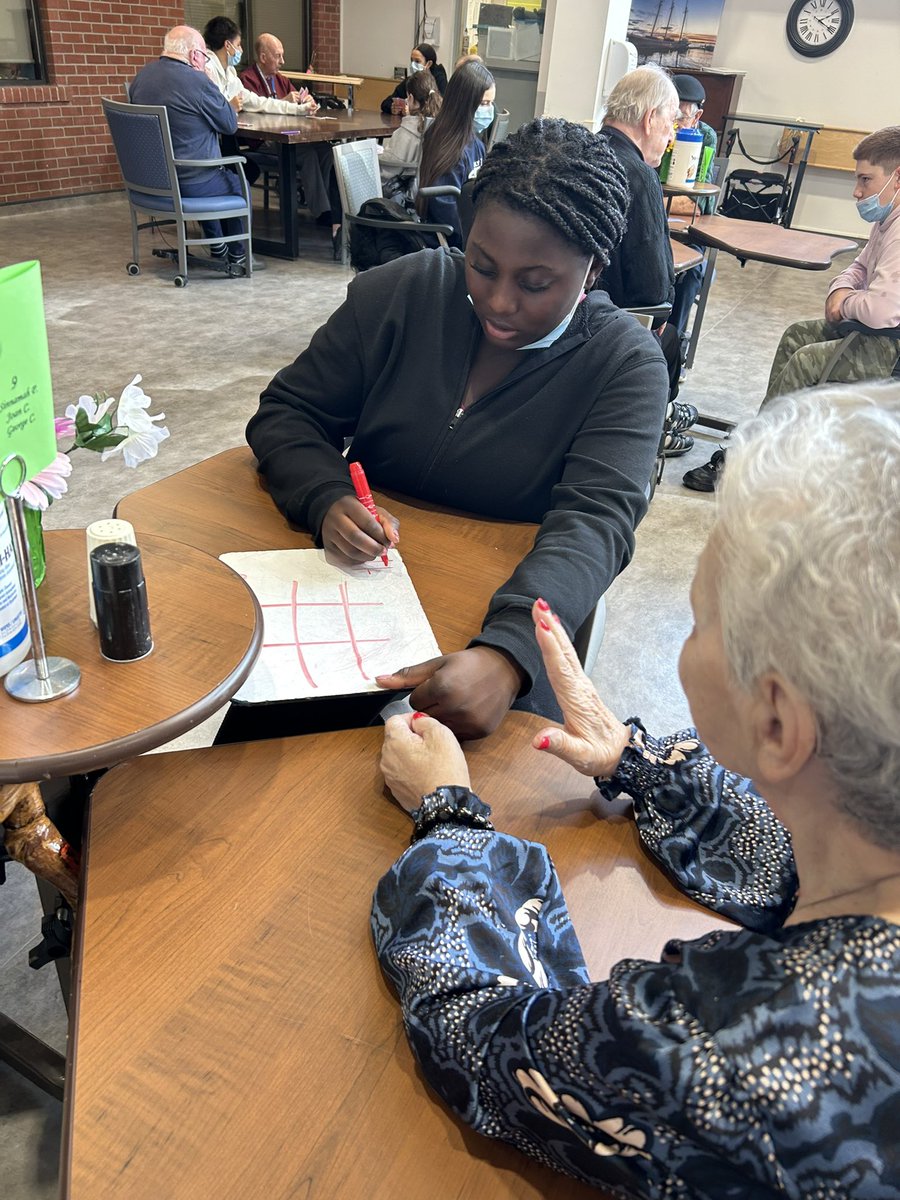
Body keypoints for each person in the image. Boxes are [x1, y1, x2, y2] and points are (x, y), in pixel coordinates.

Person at [374, 383, 900, 1198]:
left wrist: (447, 815)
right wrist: (636, 761)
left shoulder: (741, 1051)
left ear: (776, 725)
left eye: (699, 620)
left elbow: (478, 1038)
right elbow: (792, 856)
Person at [244, 118, 669, 743]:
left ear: (593, 271)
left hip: (498, 620)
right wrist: (324, 496)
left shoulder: (624, 366)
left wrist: (510, 652)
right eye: (482, 265)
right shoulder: (403, 293)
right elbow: (288, 411)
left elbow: (595, 523)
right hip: (356, 606)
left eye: (535, 283)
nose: (499, 302)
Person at [684, 126, 900, 493]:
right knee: (796, 335)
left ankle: (751, 462)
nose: (857, 191)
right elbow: (858, 268)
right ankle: (766, 449)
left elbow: (882, 310)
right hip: (873, 332)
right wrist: (841, 290)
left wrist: (844, 302)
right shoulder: (887, 220)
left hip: (890, 347)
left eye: (866, 180)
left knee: (806, 362)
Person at [599, 65, 693, 457]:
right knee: (671, 334)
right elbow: (653, 289)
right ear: (650, 118)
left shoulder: (582, 151)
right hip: (610, 324)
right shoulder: (638, 175)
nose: (671, 137)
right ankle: (655, 430)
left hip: (559, 311)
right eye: (671, 122)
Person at [130, 26, 249, 274]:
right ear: (195, 55)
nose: (205, 61)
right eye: (204, 56)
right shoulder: (198, 81)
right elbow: (229, 124)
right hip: (190, 182)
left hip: (148, 183)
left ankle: (217, 246)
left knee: (212, 175)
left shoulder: (142, 78)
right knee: (237, 184)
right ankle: (237, 257)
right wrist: (208, 80)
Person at [237, 30, 343, 248]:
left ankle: (327, 204)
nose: (282, 61)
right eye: (278, 56)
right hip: (263, 140)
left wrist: (307, 103)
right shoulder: (246, 80)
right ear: (263, 57)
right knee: (308, 155)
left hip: (289, 137)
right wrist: (285, 102)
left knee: (326, 150)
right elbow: (252, 112)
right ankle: (322, 211)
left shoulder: (281, 80)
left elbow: (299, 104)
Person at [416, 59, 495, 248]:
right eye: (484, 103)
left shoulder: (476, 144)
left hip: (468, 235)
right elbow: (445, 209)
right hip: (447, 244)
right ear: (465, 103)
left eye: (491, 103)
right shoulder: (446, 146)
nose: (489, 110)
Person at [667, 74, 718, 338]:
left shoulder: (705, 137)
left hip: (687, 233)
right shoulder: (656, 127)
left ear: (697, 116)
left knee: (692, 271)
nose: (674, 124)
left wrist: (656, 197)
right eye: (670, 114)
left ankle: (672, 343)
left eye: (681, 117)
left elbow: (701, 204)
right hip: (654, 226)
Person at [378, 67, 442, 202]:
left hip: (402, 199)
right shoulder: (441, 127)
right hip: (430, 196)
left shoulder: (407, 133)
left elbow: (386, 173)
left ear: (411, 98)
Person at [381, 43, 448, 114]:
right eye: (412, 61)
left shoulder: (439, 80)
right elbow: (386, 103)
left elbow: (441, 107)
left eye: (417, 61)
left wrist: (413, 111)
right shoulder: (411, 80)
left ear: (429, 64)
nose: (413, 65)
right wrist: (392, 107)